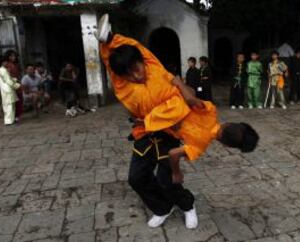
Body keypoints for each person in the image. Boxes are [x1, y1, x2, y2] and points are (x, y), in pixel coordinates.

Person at [97, 14, 259, 230]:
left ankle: (187, 205)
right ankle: (162, 207)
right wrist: (109, 40)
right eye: (130, 72)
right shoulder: (143, 73)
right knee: (136, 178)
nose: (136, 75)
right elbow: (125, 61)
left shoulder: (203, 130)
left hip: (163, 134)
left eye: (137, 68)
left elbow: (177, 147)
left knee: (168, 181)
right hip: (146, 132)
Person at [0, 55, 21, 125]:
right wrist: (17, 85)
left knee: (9, 105)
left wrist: (15, 80)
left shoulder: (2, 69)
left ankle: (10, 120)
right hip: (8, 89)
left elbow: (8, 79)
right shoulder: (3, 70)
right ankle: (9, 121)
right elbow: (8, 80)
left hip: (7, 89)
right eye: (5, 62)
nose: (6, 63)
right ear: (2, 62)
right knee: (9, 105)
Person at [5, 50, 23, 122]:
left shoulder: (16, 65)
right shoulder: (7, 65)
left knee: (19, 100)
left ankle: (17, 115)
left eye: (14, 56)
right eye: (12, 56)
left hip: (16, 84)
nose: (13, 57)